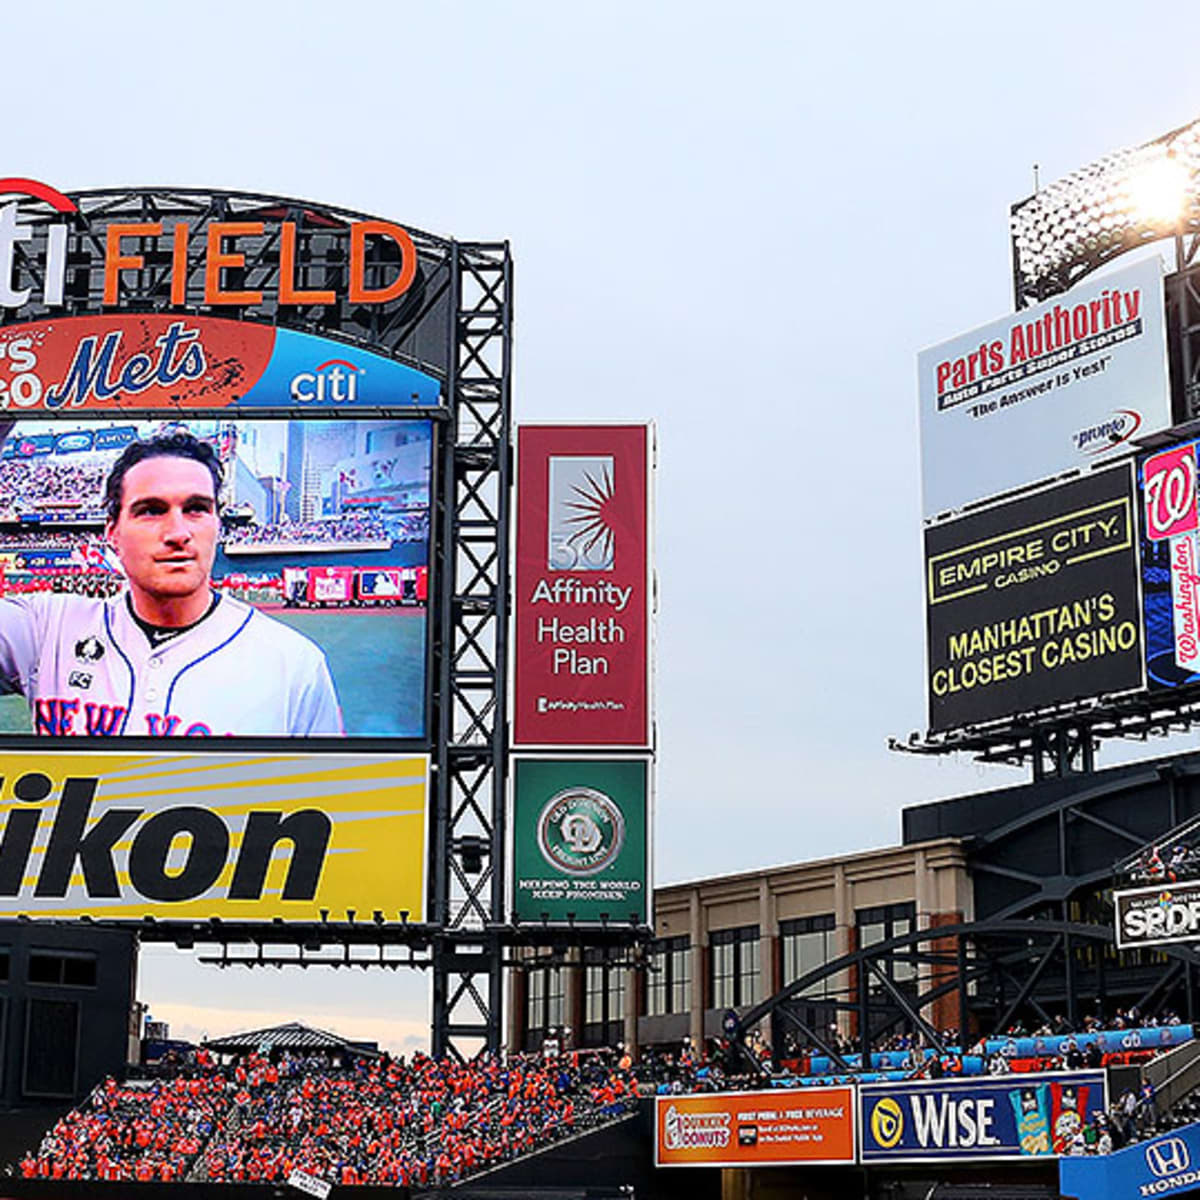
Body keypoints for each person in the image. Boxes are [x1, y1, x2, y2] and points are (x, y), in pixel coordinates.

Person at [0, 432, 344, 737]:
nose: (178, 533)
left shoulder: (295, 664)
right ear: (112, 533)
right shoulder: (45, 629)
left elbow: (332, 797)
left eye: (196, 509)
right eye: (151, 510)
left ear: (218, 525)